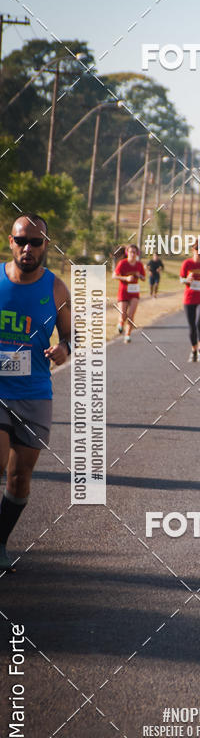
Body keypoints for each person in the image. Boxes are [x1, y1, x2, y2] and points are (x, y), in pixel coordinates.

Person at [0, 215, 71, 571]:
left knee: (19, 477)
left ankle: (1, 541)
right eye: (21, 240)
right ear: (11, 241)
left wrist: (65, 350)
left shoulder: (55, 288)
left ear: (46, 245)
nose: (28, 248)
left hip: (34, 393)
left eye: (36, 242)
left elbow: (71, 335)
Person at [113, 244, 146, 343]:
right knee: (123, 314)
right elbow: (114, 276)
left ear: (137, 254)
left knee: (131, 315)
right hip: (123, 292)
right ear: (127, 253)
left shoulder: (139, 264)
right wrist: (125, 278)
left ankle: (127, 335)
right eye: (130, 252)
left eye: (134, 252)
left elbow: (144, 278)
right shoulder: (122, 263)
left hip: (134, 292)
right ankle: (120, 323)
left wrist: (139, 275)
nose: (132, 254)